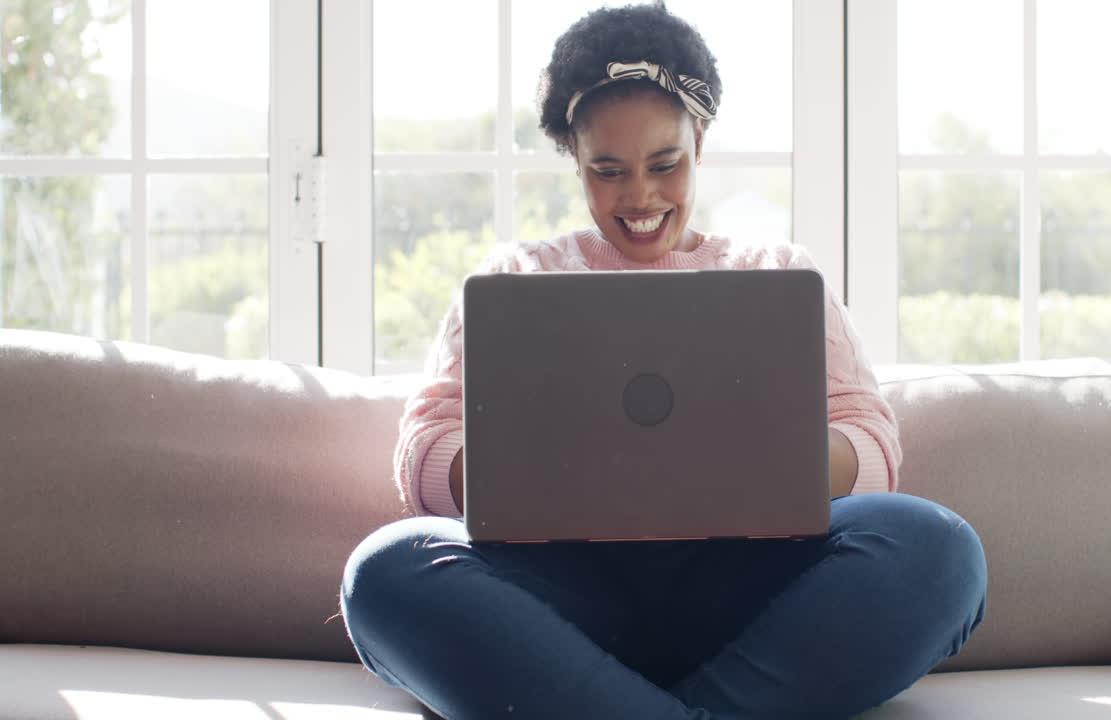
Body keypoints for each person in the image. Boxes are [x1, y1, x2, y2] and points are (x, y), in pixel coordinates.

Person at [340, 5, 986, 719]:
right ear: (575, 162)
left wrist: (756, 456)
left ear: (699, 141)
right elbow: (426, 452)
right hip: (558, 598)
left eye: (665, 164)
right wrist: (541, 464)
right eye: (607, 171)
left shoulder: (775, 270)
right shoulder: (518, 276)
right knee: (383, 571)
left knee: (942, 551)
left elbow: (872, 448)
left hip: (747, 595)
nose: (639, 196)